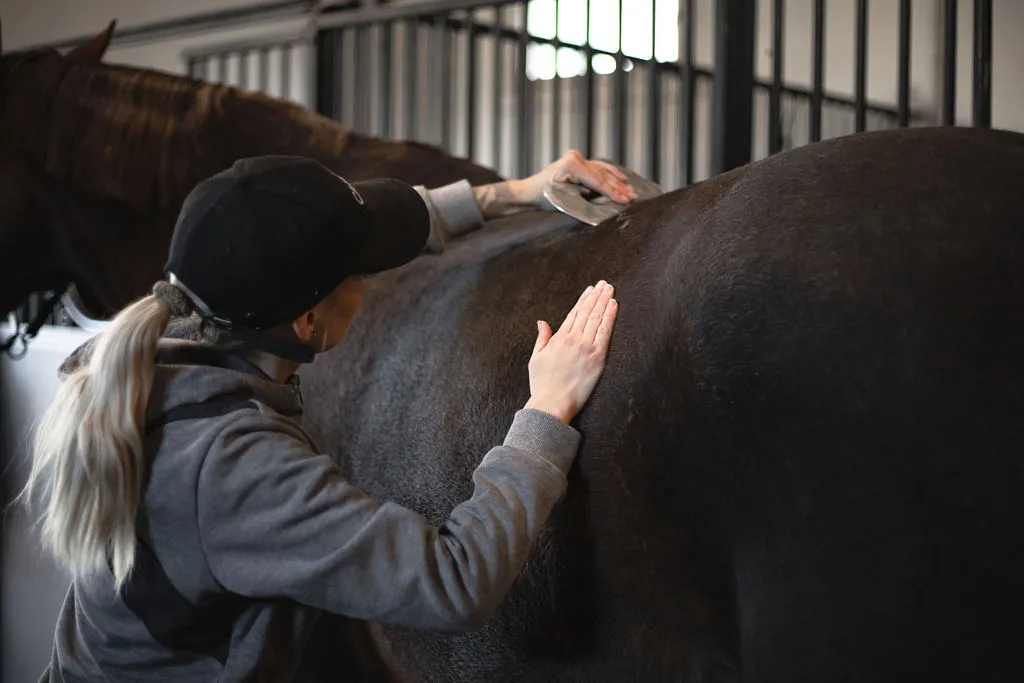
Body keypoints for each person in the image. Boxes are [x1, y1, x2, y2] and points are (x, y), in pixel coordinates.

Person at [23, 150, 632, 682]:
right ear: (307, 321)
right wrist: (546, 410)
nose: (370, 280)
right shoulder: (233, 468)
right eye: (361, 274)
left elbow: (325, 246)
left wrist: (519, 192)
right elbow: (455, 584)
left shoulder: (189, 322)